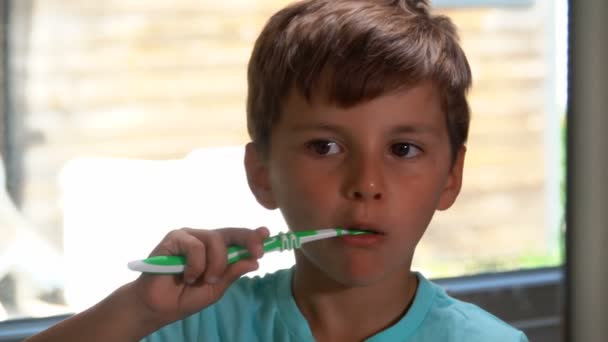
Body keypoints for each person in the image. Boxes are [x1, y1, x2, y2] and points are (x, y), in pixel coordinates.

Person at [26, 0, 528, 341]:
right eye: (325, 146)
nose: (366, 185)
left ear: (450, 178)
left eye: (402, 149)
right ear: (262, 173)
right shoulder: (196, 323)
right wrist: (140, 310)